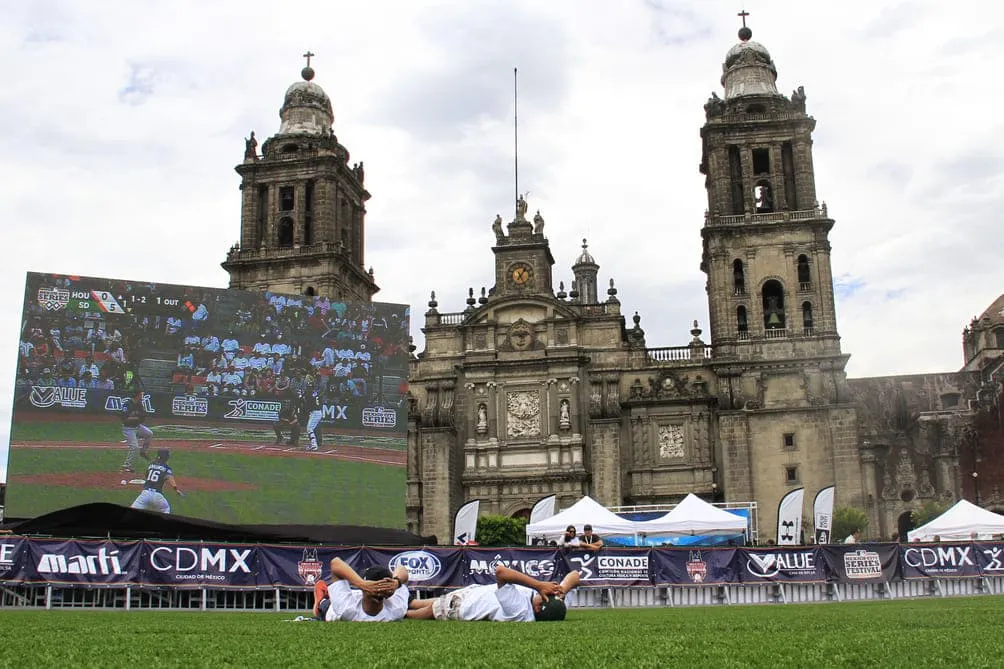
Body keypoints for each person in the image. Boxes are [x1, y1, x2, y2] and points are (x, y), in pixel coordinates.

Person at [406, 565, 580, 622]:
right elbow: (575, 575)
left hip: (461, 607)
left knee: (415, 613)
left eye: (545, 596)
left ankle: (399, 612)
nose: (546, 593)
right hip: (473, 594)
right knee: (414, 602)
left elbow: (500, 572)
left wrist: (538, 585)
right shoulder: (555, 607)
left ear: (537, 608)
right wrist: (563, 589)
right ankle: (408, 602)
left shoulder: (520, 611)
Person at [312, 558, 410, 622]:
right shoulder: (398, 608)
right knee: (326, 603)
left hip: (341, 602)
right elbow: (335, 563)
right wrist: (396, 582)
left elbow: (335, 563)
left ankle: (322, 597)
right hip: (342, 600)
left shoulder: (346, 610)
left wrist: (396, 583)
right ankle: (322, 596)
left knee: (326, 602)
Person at [131, 449, 183, 514]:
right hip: (157, 495)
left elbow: (147, 476)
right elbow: (170, 478)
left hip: (145, 493)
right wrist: (176, 489)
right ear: (166, 457)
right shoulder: (167, 468)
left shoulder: (151, 465)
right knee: (166, 509)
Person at [121, 389, 153, 473]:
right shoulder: (127, 404)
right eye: (141, 394)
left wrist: (136, 419)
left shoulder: (139, 404)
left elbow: (143, 417)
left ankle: (143, 451)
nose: (142, 396)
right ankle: (126, 466)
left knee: (149, 434)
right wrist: (135, 418)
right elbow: (124, 420)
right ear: (137, 395)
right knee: (134, 447)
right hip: (128, 429)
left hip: (137, 427)